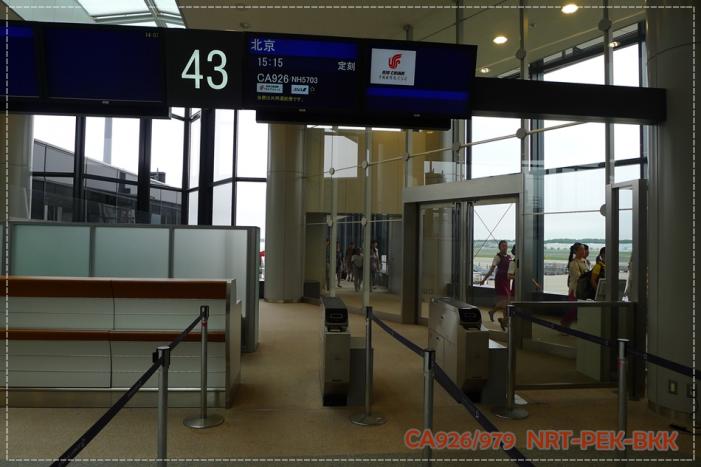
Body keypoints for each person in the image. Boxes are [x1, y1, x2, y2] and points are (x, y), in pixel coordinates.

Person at [479, 240, 512, 331]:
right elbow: (491, 270)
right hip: (500, 280)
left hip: (507, 280)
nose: (505, 247)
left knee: (506, 301)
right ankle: (505, 321)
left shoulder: (509, 257)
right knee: (506, 301)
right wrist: (484, 279)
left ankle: (493, 312)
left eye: (506, 245)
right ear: (499, 247)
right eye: (503, 246)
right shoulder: (497, 257)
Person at [561, 242, 589, 328]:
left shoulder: (584, 261)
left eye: (584, 249)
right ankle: (564, 326)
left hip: (582, 290)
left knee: (575, 310)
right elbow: (578, 277)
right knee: (572, 310)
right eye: (581, 249)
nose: (583, 251)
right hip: (575, 290)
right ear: (575, 251)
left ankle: (566, 326)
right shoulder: (573, 263)